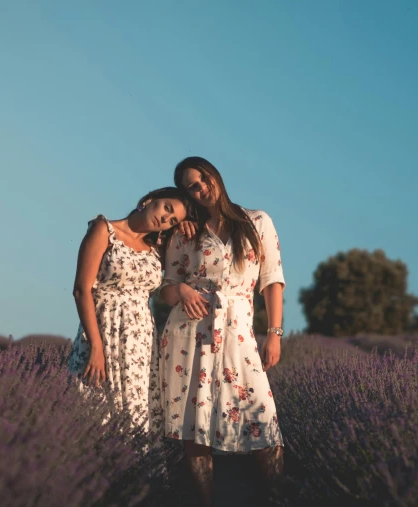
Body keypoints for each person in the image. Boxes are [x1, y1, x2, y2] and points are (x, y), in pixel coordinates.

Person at [153, 157, 286, 506]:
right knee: (194, 427)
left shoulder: (257, 221)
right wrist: (181, 291)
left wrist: (274, 332)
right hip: (189, 334)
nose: (201, 189)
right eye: (192, 187)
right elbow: (166, 286)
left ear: (216, 176)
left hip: (239, 332)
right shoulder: (187, 232)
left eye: (203, 180)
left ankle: (278, 497)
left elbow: (272, 279)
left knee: (264, 421)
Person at [67, 187, 192, 436]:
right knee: (95, 416)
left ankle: (136, 474)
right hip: (103, 334)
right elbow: (81, 290)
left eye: (173, 220)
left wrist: (186, 229)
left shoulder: (158, 249)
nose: (165, 220)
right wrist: (96, 346)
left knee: (136, 422)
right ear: (148, 200)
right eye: (166, 208)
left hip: (141, 345)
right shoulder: (104, 229)